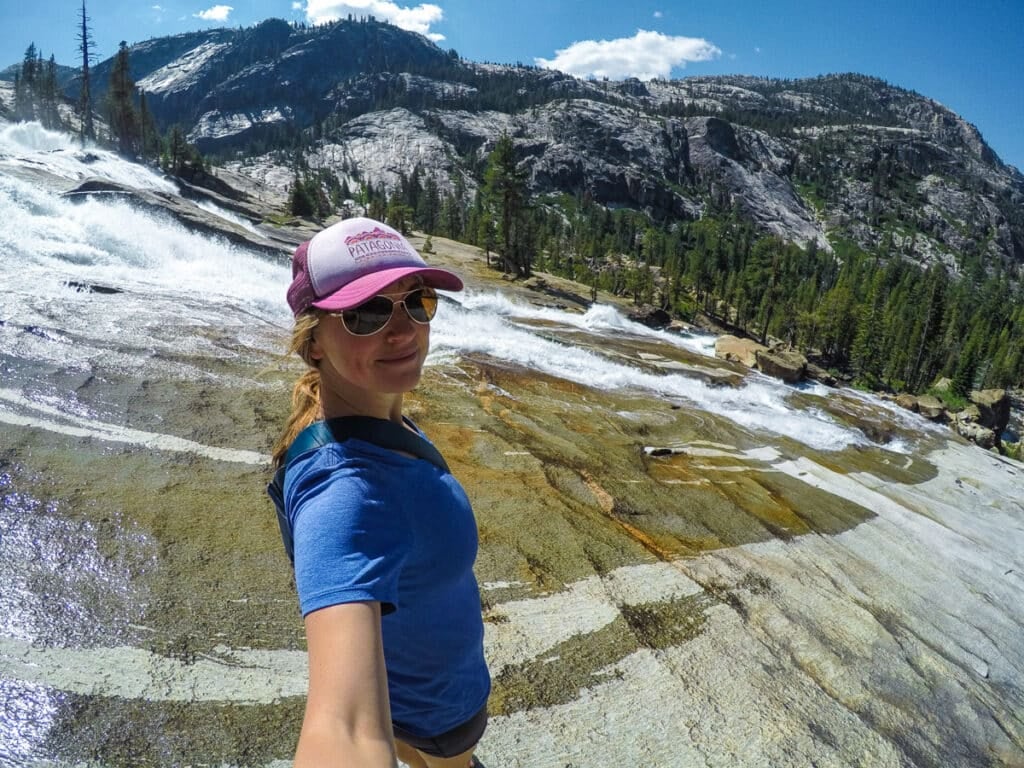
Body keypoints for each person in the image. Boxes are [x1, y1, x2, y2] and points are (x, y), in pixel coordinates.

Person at [270, 216, 491, 768]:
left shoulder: (373, 416)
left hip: (405, 698)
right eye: (365, 313)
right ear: (312, 343)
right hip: (441, 713)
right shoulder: (346, 496)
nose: (403, 331)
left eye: (416, 301)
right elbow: (341, 732)